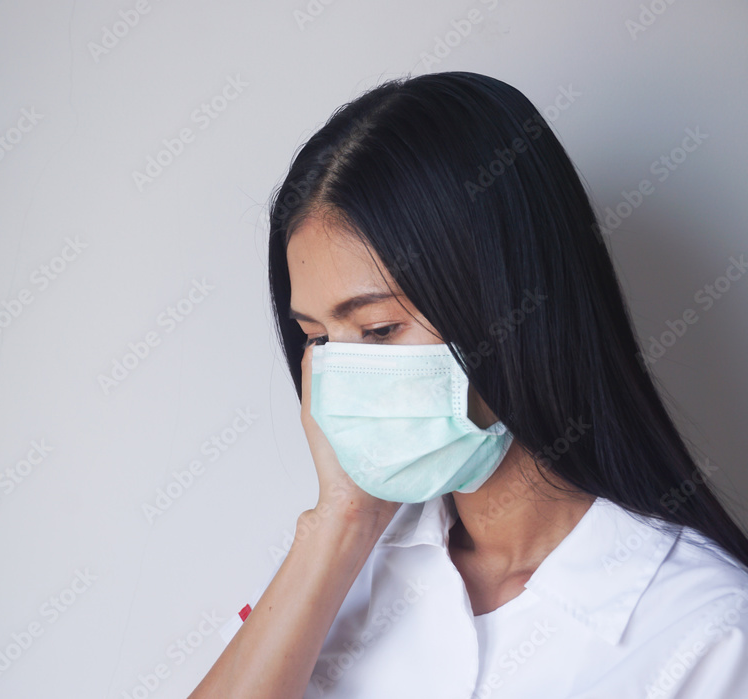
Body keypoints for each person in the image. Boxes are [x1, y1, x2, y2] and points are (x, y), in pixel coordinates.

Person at [189, 71, 748, 698]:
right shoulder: (338, 574)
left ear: (511, 309)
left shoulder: (710, 634)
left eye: (377, 329)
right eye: (318, 339)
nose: (342, 380)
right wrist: (343, 520)